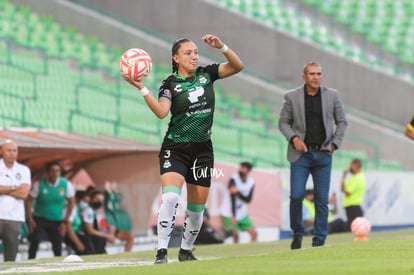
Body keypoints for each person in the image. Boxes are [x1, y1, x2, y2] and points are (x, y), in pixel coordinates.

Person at [122, 34, 243, 263]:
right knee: (170, 199)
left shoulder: (206, 74)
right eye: (188, 53)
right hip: (175, 148)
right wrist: (141, 87)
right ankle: (161, 252)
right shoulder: (169, 85)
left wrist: (222, 47)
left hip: (202, 152)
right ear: (175, 57)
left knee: (196, 211)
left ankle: (186, 251)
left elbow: (238, 66)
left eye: (196, 52)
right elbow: (160, 112)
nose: (194, 57)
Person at [279, 61, 348, 249]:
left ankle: (319, 240)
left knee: (321, 200)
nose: (316, 77)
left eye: (319, 74)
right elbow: (283, 123)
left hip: (324, 154)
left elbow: (342, 122)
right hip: (300, 155)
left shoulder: (332, 96)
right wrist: (294, 139)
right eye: (312, 74)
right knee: (296, 196)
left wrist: (335, 144)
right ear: (304, 77)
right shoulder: (292, 97)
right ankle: (298, 232)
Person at [26, 162, 75, 259]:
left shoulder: (66, 184)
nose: (55, 174)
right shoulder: (39, 185)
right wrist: (30, 219)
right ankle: (30, 262)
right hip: (40, 218)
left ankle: (58, 266)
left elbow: (71, 203)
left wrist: (65, 221)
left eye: (57, 171)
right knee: (35, 241)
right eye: (52, 171)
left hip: (57, 220)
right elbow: (28, 201)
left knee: (57, 245)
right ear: (47, 172)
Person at [0, 140, 31, 261]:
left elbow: (24, 194)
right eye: (9, 150)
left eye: (14, 150)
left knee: (11, 255)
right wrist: (14, 187)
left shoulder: (23, 170)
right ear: (1, 151)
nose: (12, 153)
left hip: (15, 218)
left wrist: (3, 189)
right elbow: (19, 191)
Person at [221, 162, 257, 243]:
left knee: (254, 234)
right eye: (240, 168)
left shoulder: (251, 182)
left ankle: (251, 253)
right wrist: (234, 216)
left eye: (243, 169)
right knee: (235, 235)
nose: (240, 170)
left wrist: (237, 192)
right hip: (229, 212)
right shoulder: (233, 179)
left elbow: (248, 199)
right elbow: (232, 198)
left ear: (248, 171)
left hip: (242, 213)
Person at [77, 190, 116, 254]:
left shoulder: (95, 211)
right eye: (97, 199)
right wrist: (107, 236)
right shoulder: (88, 210)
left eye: (101, 200)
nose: (99, 202)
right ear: (91, 199)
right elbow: (90, 230)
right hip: (86, 239)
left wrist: (108, 234)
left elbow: (98, 227)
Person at [341, 159, 366, 230]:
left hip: (354, 207)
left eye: (351, 165)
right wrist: (343, 178)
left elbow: (347, 192)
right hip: (351, 206)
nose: (350, 167)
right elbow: (342, 189)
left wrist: (343, 178)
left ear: (357, 166)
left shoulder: (358, 178)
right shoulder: (354, 177)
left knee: (354, 229)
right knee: (353, 228)